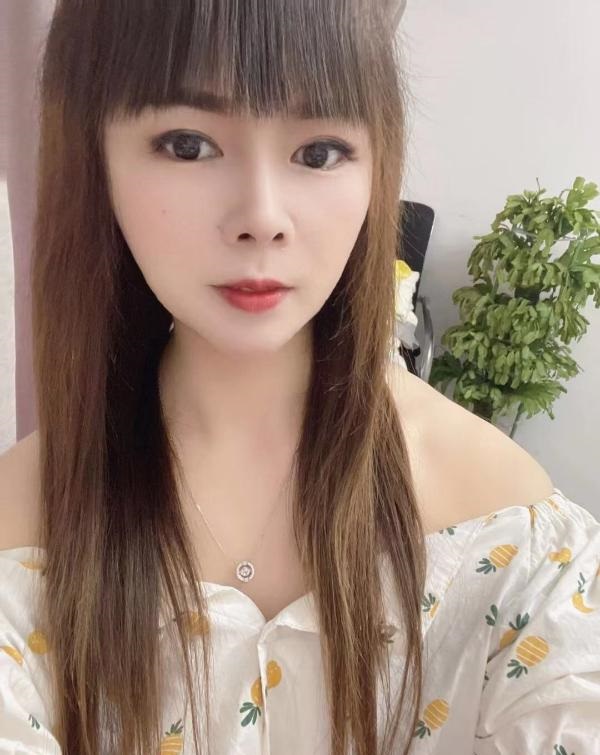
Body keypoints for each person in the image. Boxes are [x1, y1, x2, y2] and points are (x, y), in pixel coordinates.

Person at [0, 1, 598, 753]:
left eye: (318, 152)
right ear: (95, 157)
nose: (262, 215)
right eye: (188, 144)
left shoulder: (513, 544)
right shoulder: (22, 546)